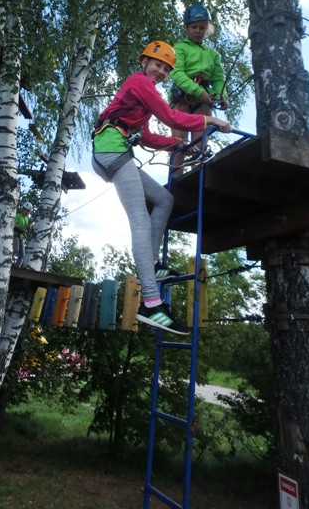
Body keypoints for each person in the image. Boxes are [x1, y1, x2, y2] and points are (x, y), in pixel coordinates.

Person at [91, 40, 231, 335]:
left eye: (167, 69)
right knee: (140, 220)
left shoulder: (141, 98)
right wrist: (209, 120)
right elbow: (170, 116)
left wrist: (178, 144)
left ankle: (152, 264)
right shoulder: (140, 82)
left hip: (112, 151)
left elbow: (146, 137)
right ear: (144, 62)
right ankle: (152, 304)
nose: (162, 72)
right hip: (111, 150)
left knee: (163, 199)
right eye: (158, 65)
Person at [168, 3, 230, 173]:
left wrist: (221, 96)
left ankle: (196, 176)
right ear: (187, 28)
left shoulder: (213, 54)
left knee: (200, 145)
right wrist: (197, 91)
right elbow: (177, 73)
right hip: (182, 99)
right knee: (179, 143)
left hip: (203, 101)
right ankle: (175, 177)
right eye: (193, 27)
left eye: (202, 27)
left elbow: (218, 79)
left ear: (207, 29)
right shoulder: (180, 48)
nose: (197, 31)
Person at [13, 202, 32, 267]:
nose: (27, 212)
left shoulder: (27, 219)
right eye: (26, 210)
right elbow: (13, 224)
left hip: (21, 236)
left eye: (29, 211)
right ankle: (8, 262)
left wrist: (26, 230)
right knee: (15, 250)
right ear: (23, 209)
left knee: (22, 254)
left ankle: (17, 267)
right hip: (16, 234)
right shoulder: (18, 216)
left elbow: (25, 228)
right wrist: (23, 227)